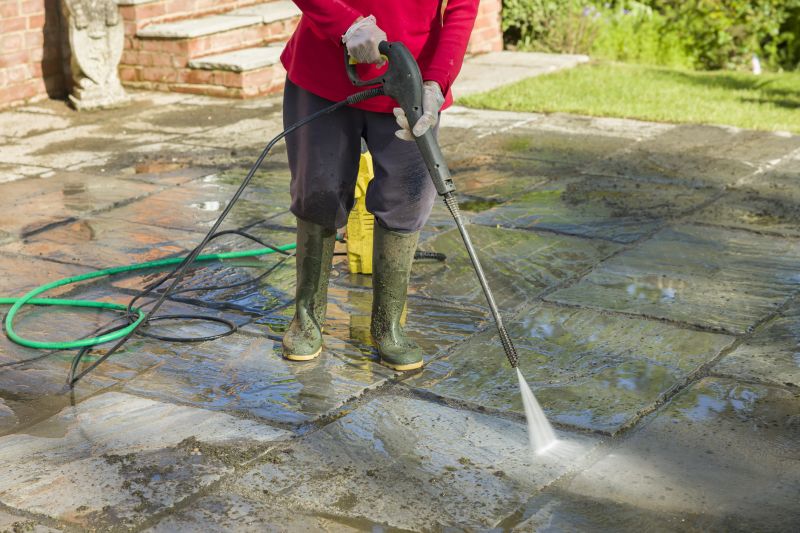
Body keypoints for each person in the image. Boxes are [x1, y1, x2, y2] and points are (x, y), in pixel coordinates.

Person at [279, 1, 479, 371]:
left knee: (408, 199)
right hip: (325, 69)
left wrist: (435, 83)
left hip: (410, 80)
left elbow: (462, 8)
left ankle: (388, 327)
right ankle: (306, 318)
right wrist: (345, 24)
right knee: (317, 193)